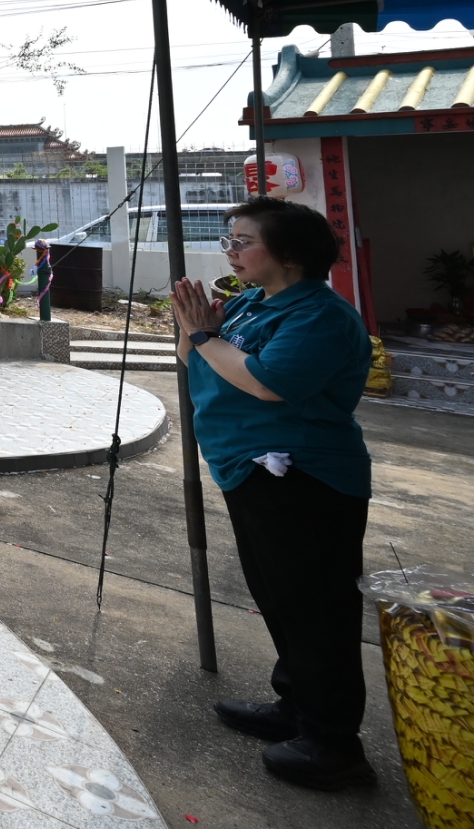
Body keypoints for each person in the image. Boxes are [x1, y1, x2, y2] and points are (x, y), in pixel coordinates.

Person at [171, 195, 375, 791]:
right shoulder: (251, 305)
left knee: (317, 608)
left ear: (289, 255)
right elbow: (194, 358)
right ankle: (297, 706)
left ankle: (335, 744)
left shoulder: (320, 316)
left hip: (304, 478)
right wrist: (194, 332)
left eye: (243, 242)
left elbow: (268, 382)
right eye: (229, 241)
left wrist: (205, 336)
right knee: (281, 597)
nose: (231, 252)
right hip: (250, 471)